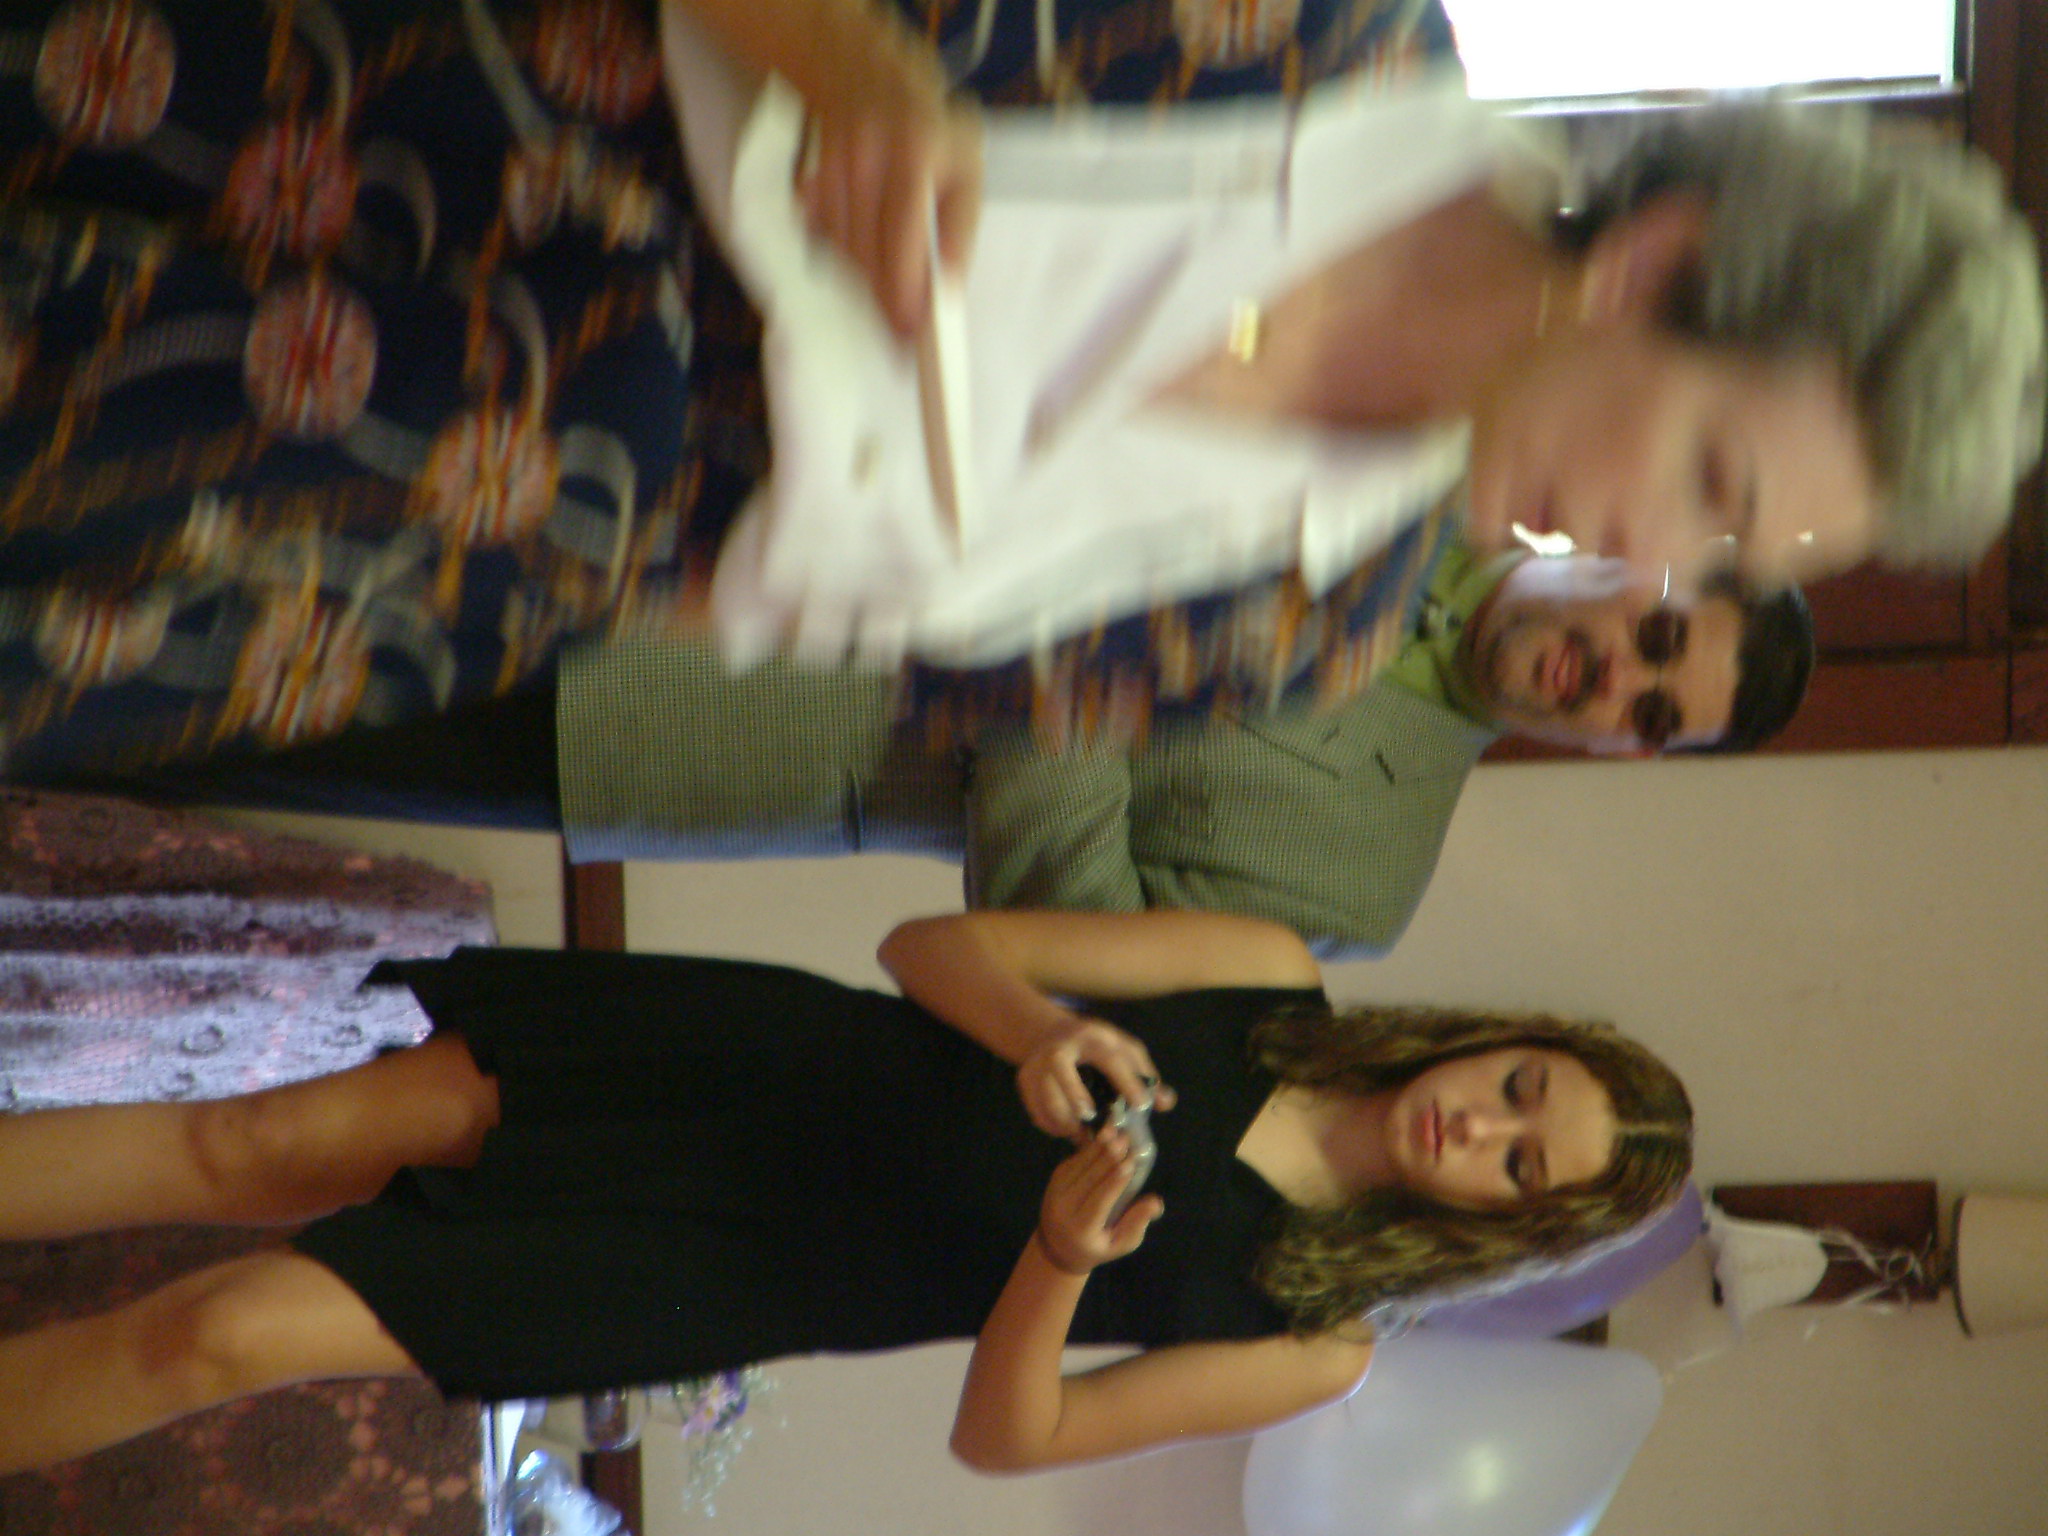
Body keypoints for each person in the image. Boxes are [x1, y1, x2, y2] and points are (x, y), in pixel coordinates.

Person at [0, 0, 2035, 779]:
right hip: (431, 138)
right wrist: (851, 58)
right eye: (1712, 478)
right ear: (1659, 265)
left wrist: (546, 565)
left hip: (390, 547)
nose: (1659, 561)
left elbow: (809, 639)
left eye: (1726, 561)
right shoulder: (1312, 28)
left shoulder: (1309, 624)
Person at [0, 907, 1693, 1476]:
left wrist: (1056, 1259)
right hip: (749, 1064)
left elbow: (1007, 1439)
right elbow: (926, 946)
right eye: (1519, 1092)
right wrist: (1033, 1032)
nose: (1482, 1132)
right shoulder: (1266, 975)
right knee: (246, 1146)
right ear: (1504, 1042)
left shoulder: (1316, 1339)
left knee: (223, 1335)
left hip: (740, 1270)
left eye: (1522, 1169)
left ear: (1508, 1229)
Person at [73, 546, 1815, 955]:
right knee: (185, 515)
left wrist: (1083, 662)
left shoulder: (1362, 885)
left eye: (1652, 713)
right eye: (1658, 632)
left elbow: (1067, 934)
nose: (1614, 677)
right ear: (1636, 550)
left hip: (697, 733)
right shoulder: (1400, 434)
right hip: (693, 494)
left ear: (1628, 754)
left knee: (152, 715)